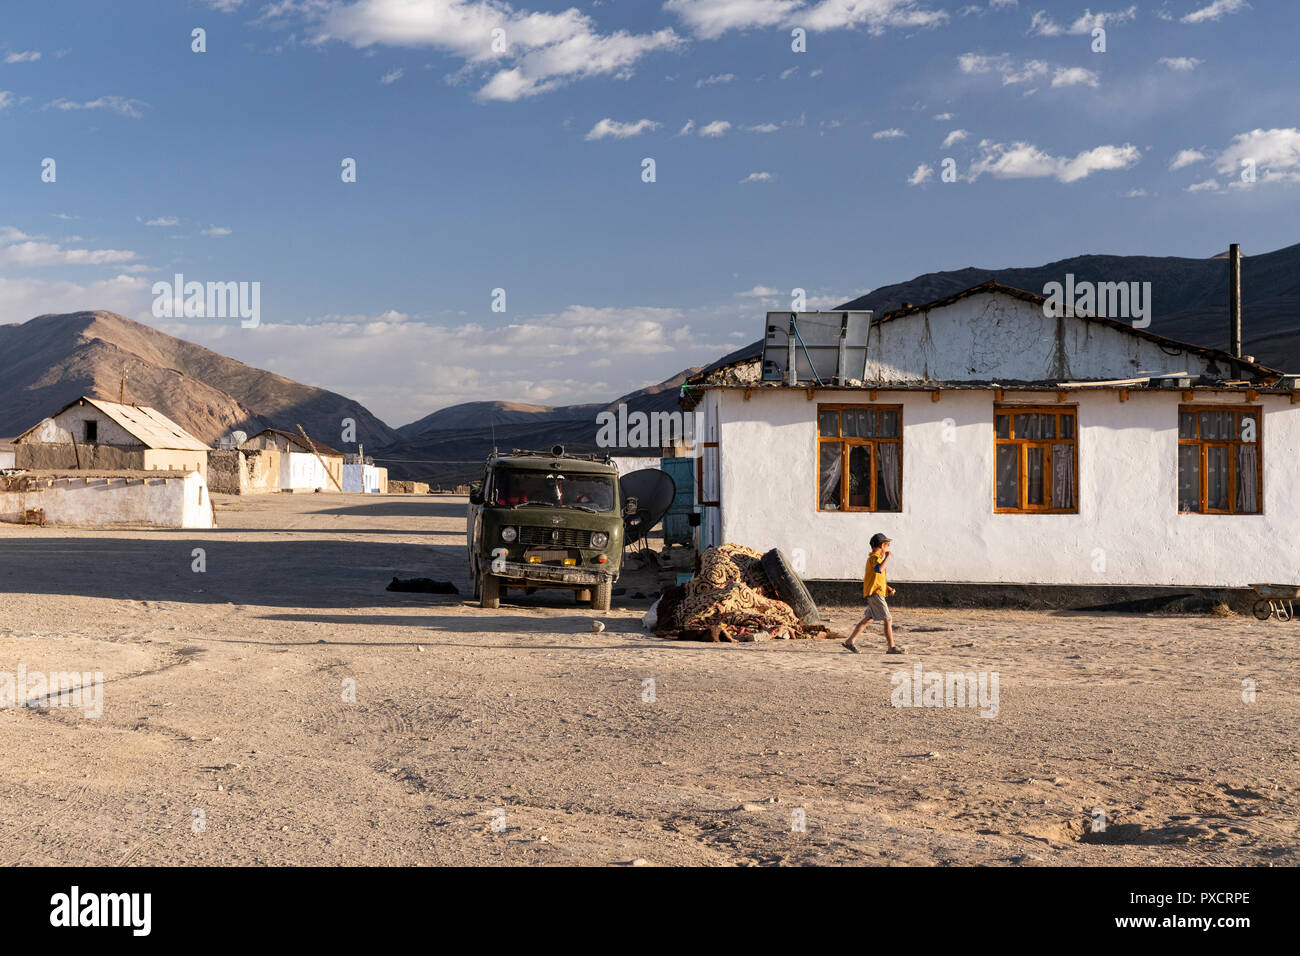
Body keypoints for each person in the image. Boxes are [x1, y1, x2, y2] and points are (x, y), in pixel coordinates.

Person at [844, 532, 901, 654]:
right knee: (888, 619)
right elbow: (878, 569)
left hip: (876, 592)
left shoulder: (876, 559)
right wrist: (887, 557)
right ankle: (891, 647)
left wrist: (887, 587)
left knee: (868, 619)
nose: (887, 548)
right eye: (887, 545)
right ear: (882, 545)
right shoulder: (874, 558)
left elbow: (876, 578)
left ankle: (850, 641)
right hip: (875, 594)